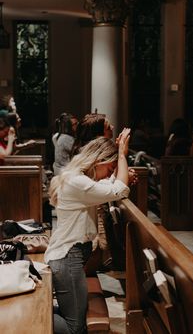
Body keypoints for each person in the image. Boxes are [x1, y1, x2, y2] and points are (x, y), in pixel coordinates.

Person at [44, 129, 131, 334]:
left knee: (72, 318)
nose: (110, 173)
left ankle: (37, 310)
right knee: (75, 328)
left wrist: (119, 168)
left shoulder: (77, 178)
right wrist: (121, 155)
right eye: (110, 168)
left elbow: (107, 184)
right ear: (99, 161)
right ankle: (29, 312)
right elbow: (120, 189)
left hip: (68, 258)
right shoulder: (78, 182)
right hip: (67, 259)